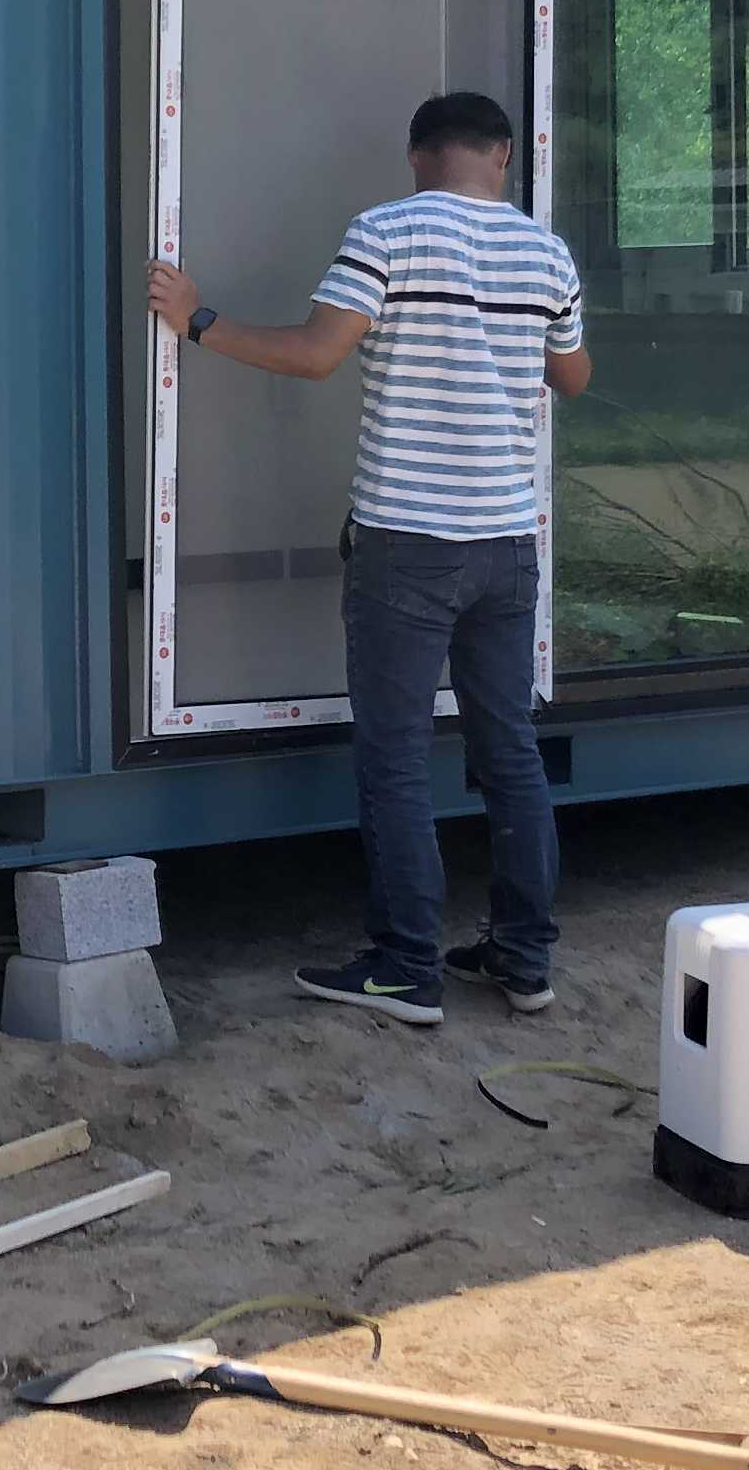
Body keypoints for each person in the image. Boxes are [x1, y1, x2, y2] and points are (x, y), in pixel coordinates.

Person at [146, 90, 589, 1024]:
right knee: (509, 751)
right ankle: (523, 960)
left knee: (395, 758)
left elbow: (317, 355)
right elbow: (573, 374)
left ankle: (405, 968)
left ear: (417, 156)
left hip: (410, 544)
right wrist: (503, 335)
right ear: (504, 156)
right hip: (508, 545)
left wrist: (197, 320)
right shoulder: (545, 253)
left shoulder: (388, 231)